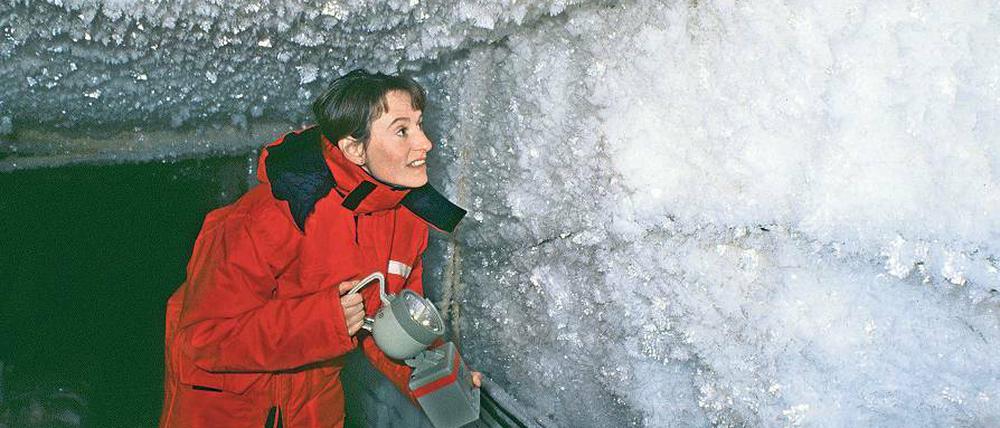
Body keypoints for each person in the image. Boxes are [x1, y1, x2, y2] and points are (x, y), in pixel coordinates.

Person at [160, 70, 481, 427]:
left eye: (420, 125)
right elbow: (204, 339)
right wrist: (326, 323)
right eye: (402, 130)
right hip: (227, 408)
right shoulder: (270, 216)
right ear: (355, 149)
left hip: (312, 408)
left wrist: (437, 374)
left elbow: (390, 325)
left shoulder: (404, 222)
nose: (425, 143)